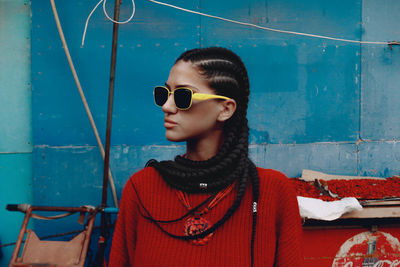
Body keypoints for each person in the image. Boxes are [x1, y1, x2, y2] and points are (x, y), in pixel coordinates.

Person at [108, 47, 303, 266]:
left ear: (225, 109)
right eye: (164, 93)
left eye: (183, 96)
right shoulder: (141, 188)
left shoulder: (272, 191)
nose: (166, 106)